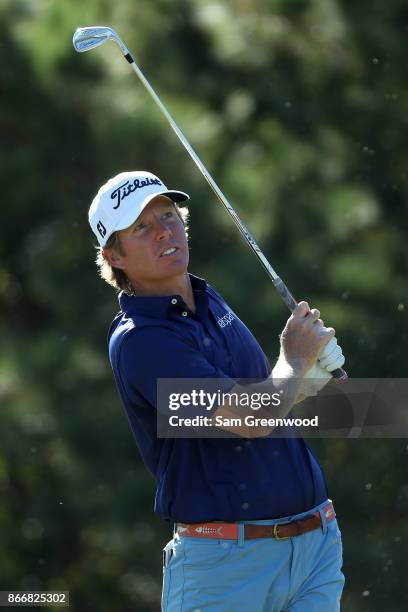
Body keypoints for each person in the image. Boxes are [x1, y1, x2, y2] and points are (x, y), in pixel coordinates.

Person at [89, 170, 346, 611]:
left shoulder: (208, 299)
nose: (164, 231)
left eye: (169, 216)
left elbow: (255, 400)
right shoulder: (141, 340)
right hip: (226, 568)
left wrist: (305, 380)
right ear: (115, 256)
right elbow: (251, 418)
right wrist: (295, 359)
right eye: (141, 228)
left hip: (314, 550)